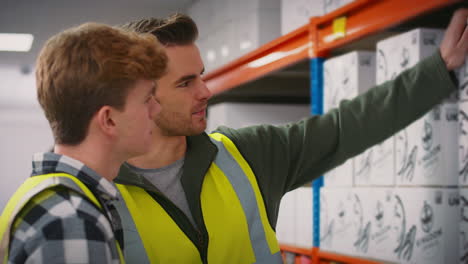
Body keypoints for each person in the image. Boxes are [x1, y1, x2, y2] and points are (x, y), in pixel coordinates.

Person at [114, 9, 468, 263]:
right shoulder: (95, 195)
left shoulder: (247, 154)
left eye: (201, 75)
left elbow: (348, 126)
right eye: (186, 82)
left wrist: (439, 67)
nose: (206, 91)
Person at [0, 22, 167, 263]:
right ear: (108, 120)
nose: (156, 109)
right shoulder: (71, 221)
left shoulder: (48, 193)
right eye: (146, 99)